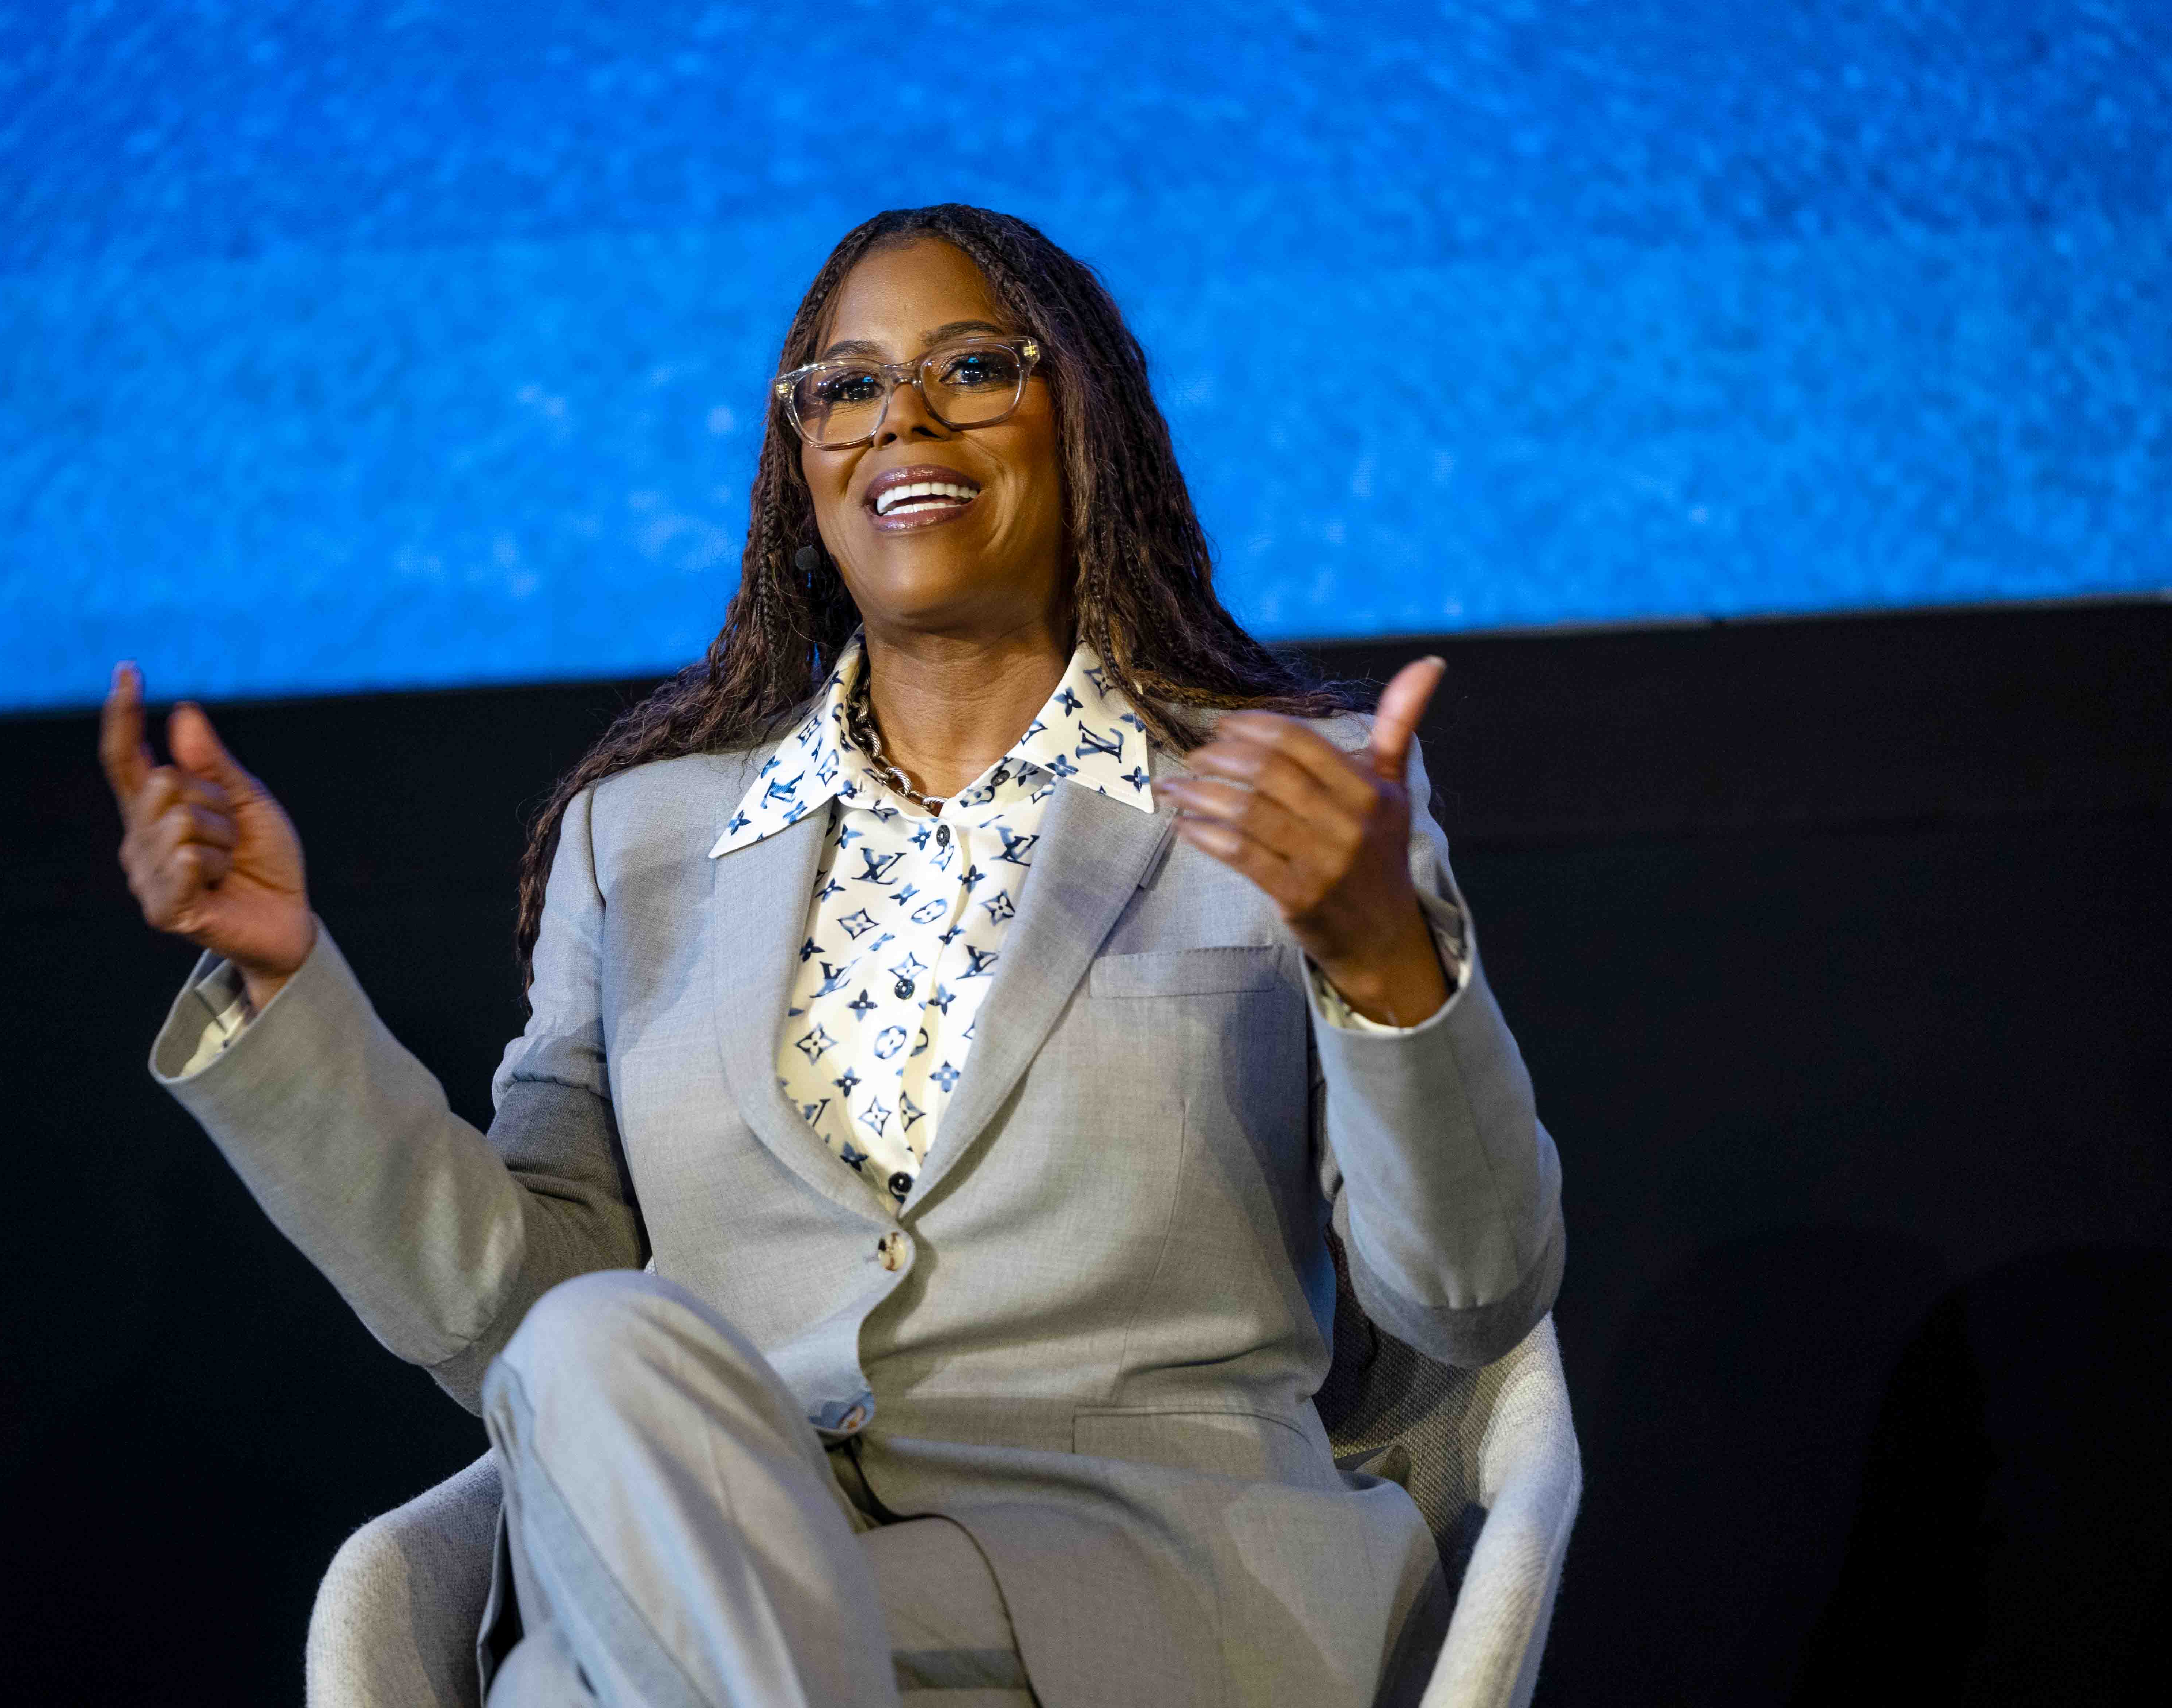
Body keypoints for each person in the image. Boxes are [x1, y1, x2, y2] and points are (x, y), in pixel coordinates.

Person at [100, 204, 1563, 1708]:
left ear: (1088, 425)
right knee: (595, 1337)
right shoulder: (642, 843)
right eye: (845, 388)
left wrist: (1383, 954)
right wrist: (286, 982)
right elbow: (510, 1317)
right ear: (800, 469)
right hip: (743, 1553)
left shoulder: (1289, 800)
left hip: (1139, 1587)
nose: (900, 421)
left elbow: (1466, 1298)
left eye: (972, 369)